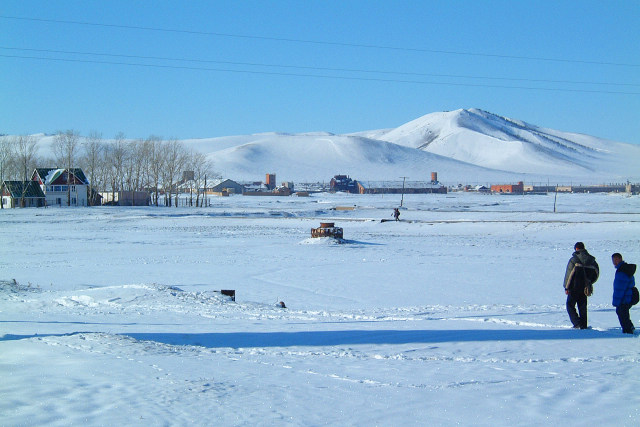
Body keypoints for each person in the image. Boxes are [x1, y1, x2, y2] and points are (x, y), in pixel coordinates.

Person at [563, 242, 599, 329]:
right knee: (582, 306)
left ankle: (577, 323)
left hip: (574, 287)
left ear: (576, 249)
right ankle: (583, 325)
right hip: (585, 287)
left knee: (570, 305)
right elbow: (597, 273)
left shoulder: (574, 260)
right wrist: (590, 282)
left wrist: (566, 287)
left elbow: (569, 274)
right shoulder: (592, 260)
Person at [611, 253, 636, 334]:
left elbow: (620, 288)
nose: (614, 262)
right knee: (623, 313)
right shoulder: (625, 269)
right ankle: (629, 327)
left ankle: (628, 331)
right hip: (628, 296)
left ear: (619, 259)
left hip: (625, 298)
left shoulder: (622, 271)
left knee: (622, 313)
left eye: (615, 260)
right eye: (613, 260)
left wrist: (616, 302)